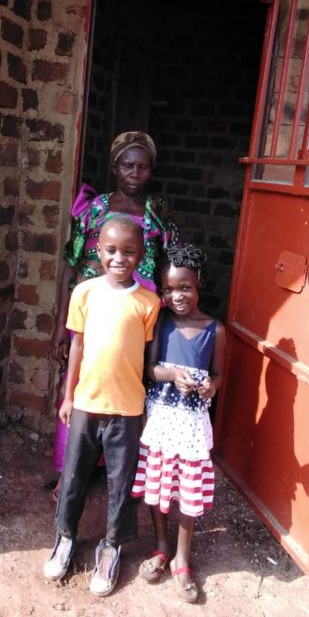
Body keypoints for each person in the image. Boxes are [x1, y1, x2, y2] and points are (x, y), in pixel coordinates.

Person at [49, 131, 180, 481]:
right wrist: (63, 325)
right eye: (127, 165)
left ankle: (121, 474)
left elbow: (172, 262)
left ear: (152, 170)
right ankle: (71, 472)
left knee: (131, 387)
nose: (134, 173)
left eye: (143, 167)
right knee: (81, 383)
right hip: (92, 315)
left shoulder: (159, 211)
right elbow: (71, 266)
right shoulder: (95, 209)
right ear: (114, 168)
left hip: (141, 317)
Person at [44, 215, 161, 597]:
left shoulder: (148, 303)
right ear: (99, 251)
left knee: (120, 481)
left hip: (127, 408)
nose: (119, 258)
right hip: (86, 403)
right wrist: (68, 396)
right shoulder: (85, 292)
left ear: (141, 256)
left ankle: (111, 546)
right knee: (75, 474)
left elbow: (145, 356)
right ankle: (65, 537)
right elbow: (77, 345)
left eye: (129, 252)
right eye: (111, 250)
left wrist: (147, 407)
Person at [131, 244, 225, 603]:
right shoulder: (161, 323)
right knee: (158, 484)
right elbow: (149, 369)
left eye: (184, 287)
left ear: (199, 285)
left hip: (191, 423)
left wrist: (209, 385)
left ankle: (182, 560)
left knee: (187, 488)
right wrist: (172, 374)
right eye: (168, 290)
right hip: (162, 417)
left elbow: (219, 375)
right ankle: (160, 546)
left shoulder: (214, 330)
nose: (176, 296)